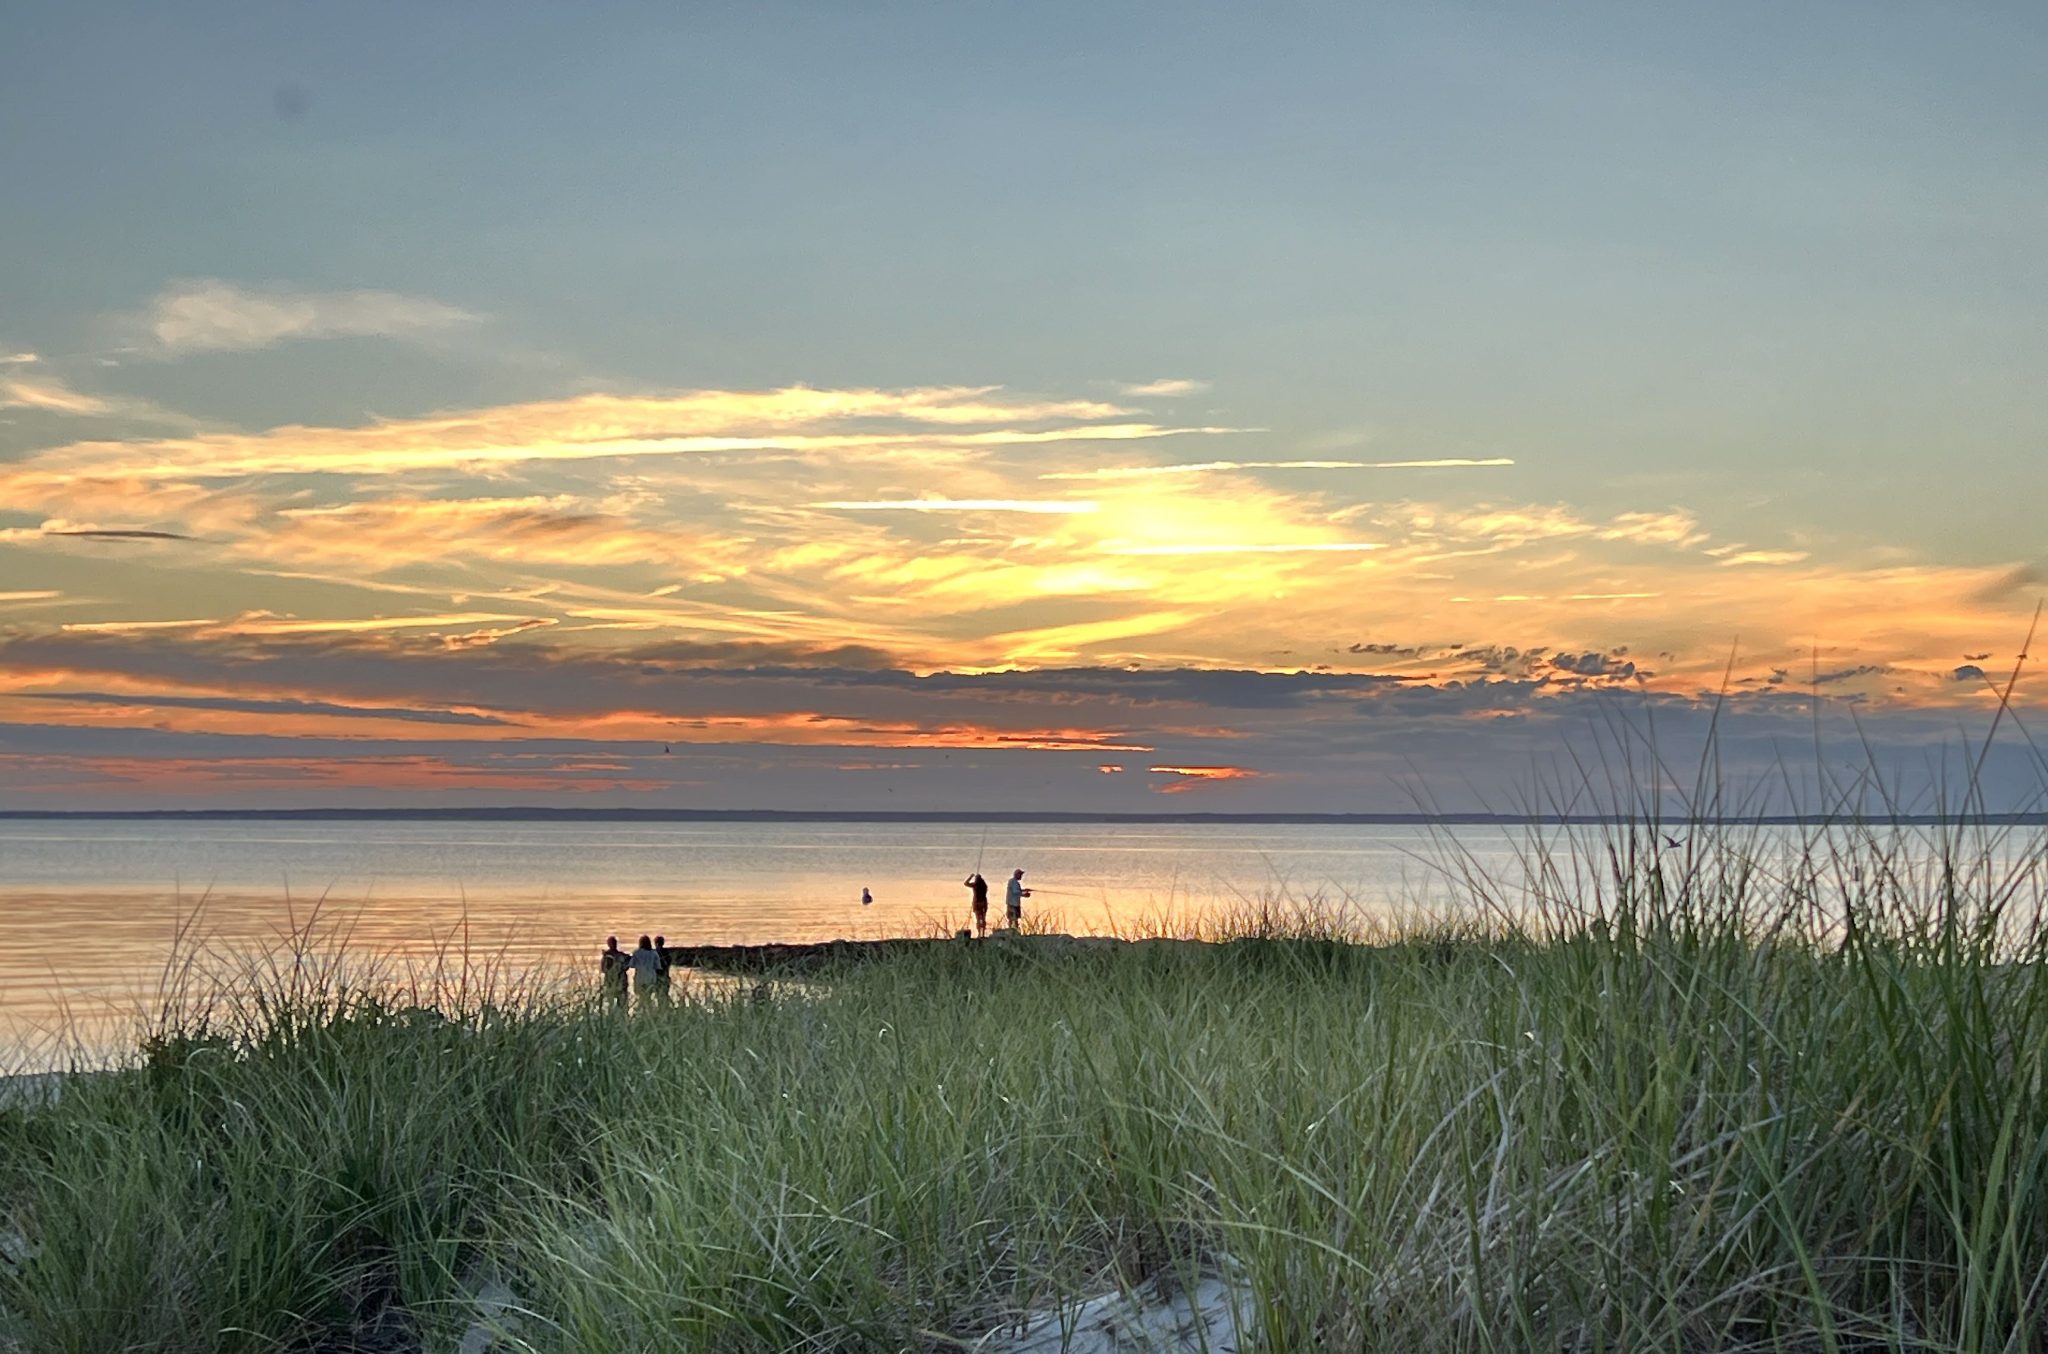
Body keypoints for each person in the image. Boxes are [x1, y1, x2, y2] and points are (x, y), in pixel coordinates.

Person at [628, 934, 663, 1004]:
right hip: (651, 978)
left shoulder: (636, 953)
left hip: (640, 978)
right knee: (648, 997)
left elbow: (631, 965)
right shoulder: (654, 953)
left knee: (641, 997)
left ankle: (641, 1011)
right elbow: (658, 966)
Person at [600, 936, 629, 1005]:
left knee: (619, 1003)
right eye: (612, 943)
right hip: (613, 982)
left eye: (614, 943)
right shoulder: (608, 956)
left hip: (618, 982)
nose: (614, 945)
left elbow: (603, 969)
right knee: (614, 1003)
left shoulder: (621, 955)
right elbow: (603, 969)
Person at [963, 871, 990, 935]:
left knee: (978, 918)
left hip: (977, 903)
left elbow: (966, 883)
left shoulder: (975, 885)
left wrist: (971, 876)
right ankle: (982, 932)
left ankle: (979, 933)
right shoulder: (984, 886)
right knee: (983, 918)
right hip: (983, 903)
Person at [653, 933, 672, 999]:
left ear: (656, 943)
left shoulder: (654, 953)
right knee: (665, 995)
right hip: (665, 977)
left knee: (658, 996)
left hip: (657, 978)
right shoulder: (667, 953)